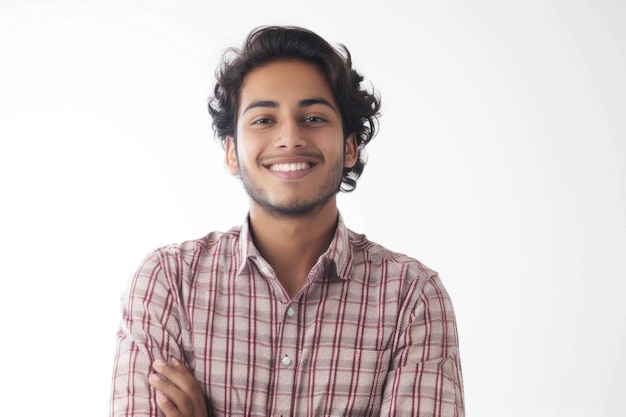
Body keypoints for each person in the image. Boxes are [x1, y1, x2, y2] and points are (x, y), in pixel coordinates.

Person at [110, 25, 465, 417]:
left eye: (313, 118)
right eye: (264, 120)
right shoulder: (168, 282)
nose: (290, 137)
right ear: (232, 152)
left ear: (349, 147)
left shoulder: (411, 298)